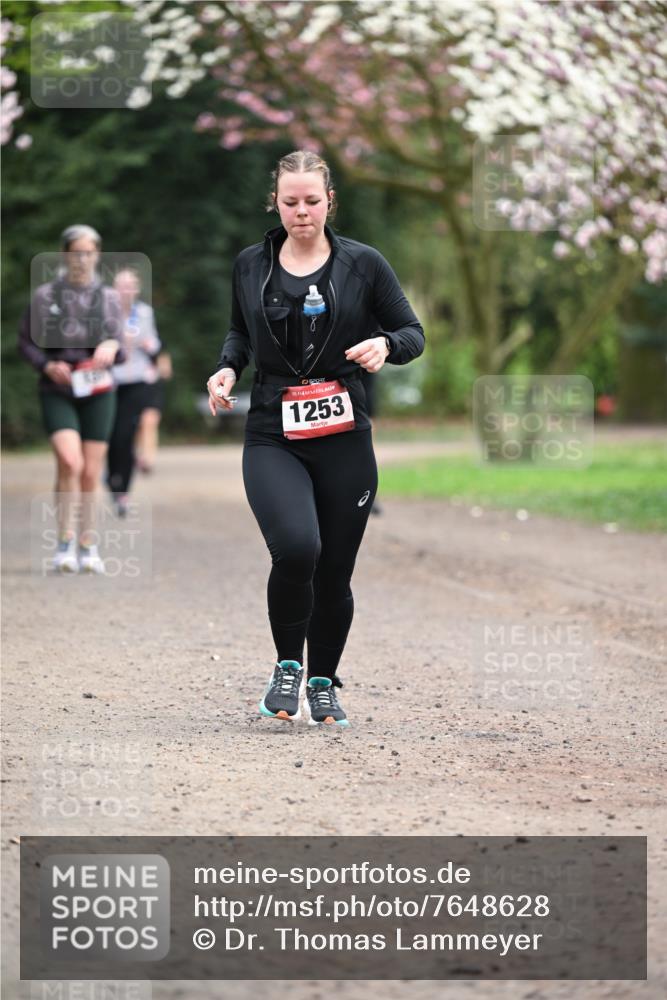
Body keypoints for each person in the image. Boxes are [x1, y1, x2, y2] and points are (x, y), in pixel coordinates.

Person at [206, 150, 424, 726]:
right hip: (273, 430)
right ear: (274, 203)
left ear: (330, 201)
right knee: (298, 547)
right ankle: (287, 667)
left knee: (335, 571)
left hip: (344, 433)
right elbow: (238, 331)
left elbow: (411, 331)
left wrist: (386, 346)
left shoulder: (364, 264)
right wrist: (228, 368)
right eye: (289, 202)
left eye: (311, 201)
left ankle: (324, 680)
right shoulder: (252, 264)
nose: (301, 211)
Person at [19, 224, 124, 574]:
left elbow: (121, 347)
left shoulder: (108, 298)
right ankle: (63, 541)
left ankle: (87, 544)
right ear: (65, 255)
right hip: (59, 389)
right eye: (76, 252)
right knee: (69, 462)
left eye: (89, 252)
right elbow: (25, 342)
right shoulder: (46, 296)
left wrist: (111, 346)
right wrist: (47, 365)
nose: (83, 259)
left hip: (97, 389)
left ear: (97, 255)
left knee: (91, 473)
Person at [107, 269, 161, 516]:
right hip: (110, 382)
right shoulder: (106, 313)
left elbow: (155, 344)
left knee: (126, 435)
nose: (126, 291)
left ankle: (123, 492)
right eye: (122, 286)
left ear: (136, 289)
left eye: (130, 286)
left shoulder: (144, 313)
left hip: (136, 380)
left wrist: (148, 345)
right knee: (111, 436)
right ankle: (112, 478)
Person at [135, 349, 171, 474]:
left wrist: (161, 368)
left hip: (152, 389)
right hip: (131, 389)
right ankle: (139, 455)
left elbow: (166, 372)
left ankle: (148, 459)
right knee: (136, 425)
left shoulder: (156, 344)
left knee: (150, 422)